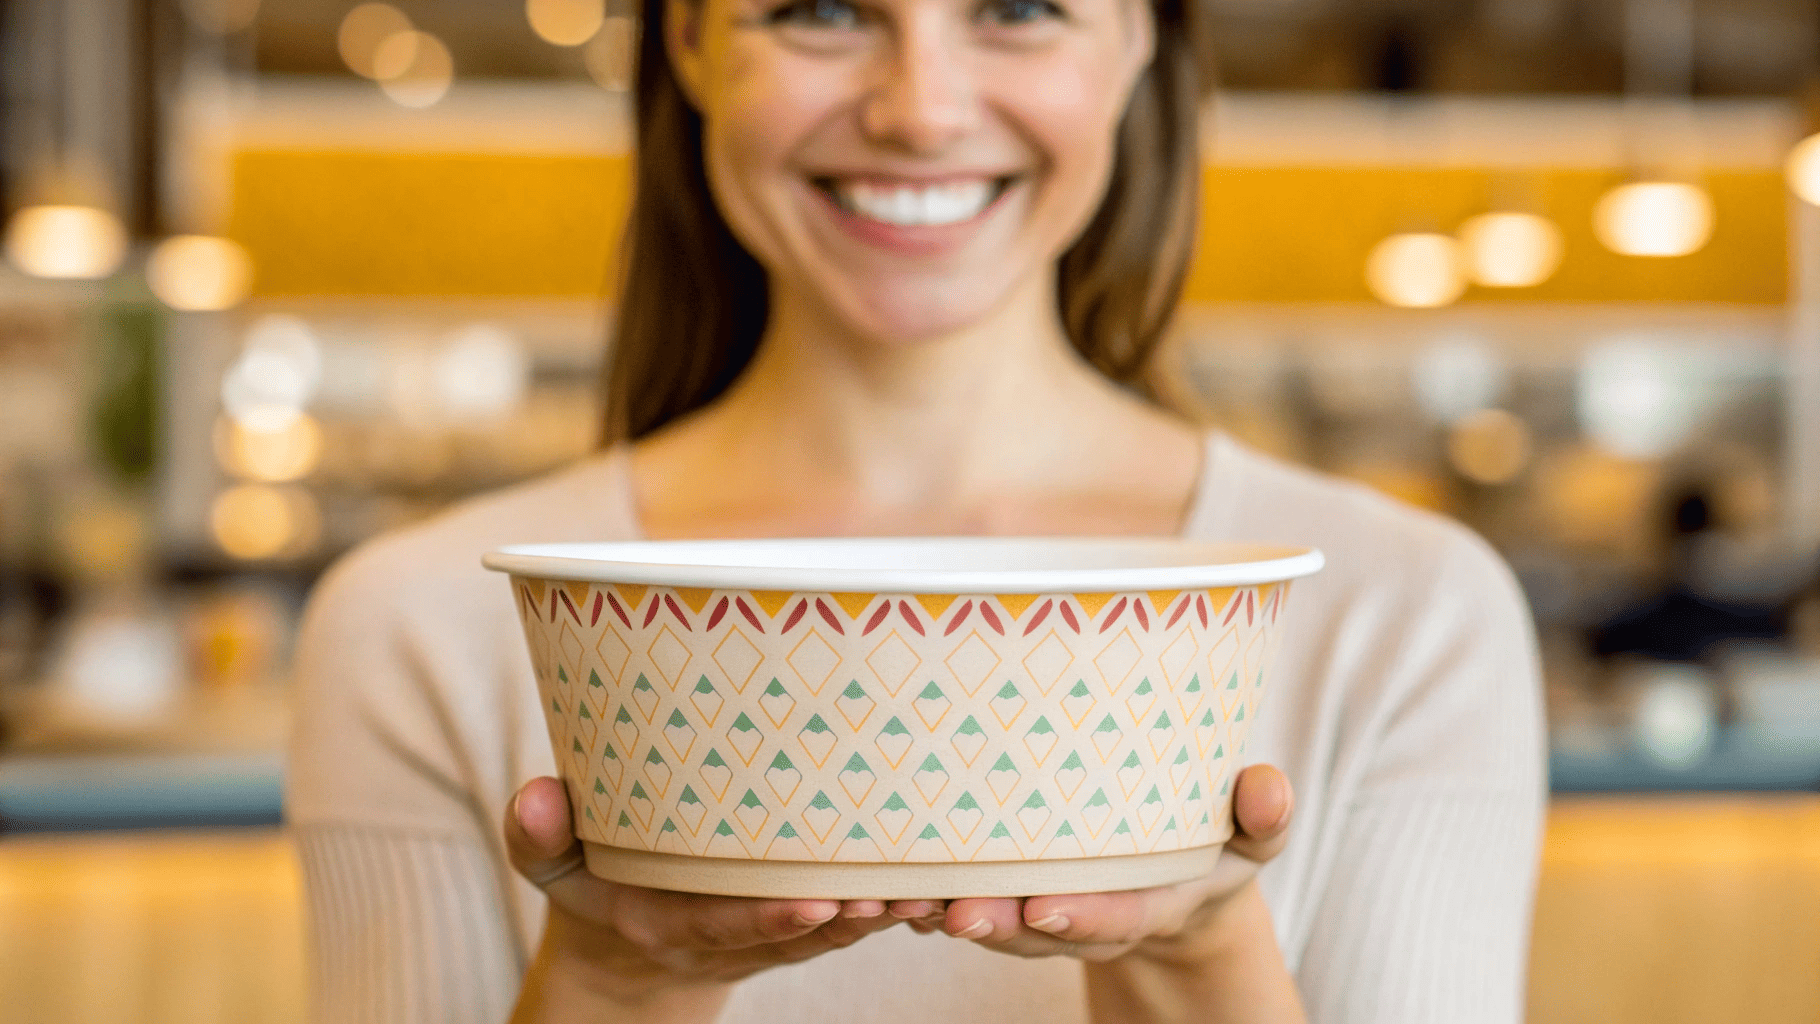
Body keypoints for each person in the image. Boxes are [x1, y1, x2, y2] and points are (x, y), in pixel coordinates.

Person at [286, 0, 1545, 1017]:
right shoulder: (420, 628)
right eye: (823, 10)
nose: (920, 109)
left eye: (1014, 8)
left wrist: (1194, 951)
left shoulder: (1407, 616)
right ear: (690, 41)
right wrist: (614, 981)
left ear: (1137, 40)